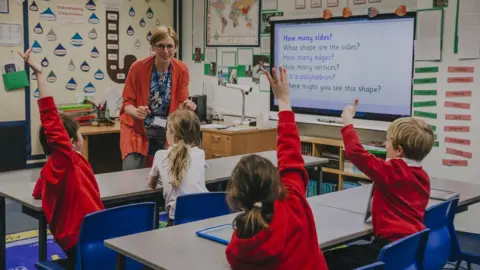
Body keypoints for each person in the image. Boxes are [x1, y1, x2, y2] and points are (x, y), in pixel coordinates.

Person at [225, 67, 328, 270]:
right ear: (276, 182)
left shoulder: (239, 248)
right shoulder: (295, 202)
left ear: (237, 196)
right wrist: (283, 101)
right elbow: (290, 154)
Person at [323, 99, 434, 270]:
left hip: (388, 247)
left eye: (388, 141)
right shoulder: (423, 176)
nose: (384, 144)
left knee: (328, 258)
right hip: (409, 246)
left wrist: (347, 121)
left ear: (399, 150)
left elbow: (354, 152)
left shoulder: (392, 171)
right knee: (348, 253)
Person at [21, 48, 104, 269]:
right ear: (68, 141)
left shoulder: (53, 167)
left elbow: (38, 192)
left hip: (77, 237)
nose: (82, 137)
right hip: (85, 235)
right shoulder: (67, 159)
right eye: (79, 133)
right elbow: (49, 115)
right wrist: (39, 74)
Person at [120, 25, 196, 171]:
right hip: (137, 128)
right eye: (160, 46)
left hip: (167, 129)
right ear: (153, 47)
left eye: (169, 46)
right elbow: (127, 103)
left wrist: (187, 107)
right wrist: (136, 112)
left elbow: (181, 104)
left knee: (172, 170)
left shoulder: (182, 70)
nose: (165, 51)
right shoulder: (138, 68)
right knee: (131, 171)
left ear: (175, 47)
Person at [147, 105, 207, 226]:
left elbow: (151, 185)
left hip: (176, 221)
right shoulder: (200, 154)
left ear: (173, 134)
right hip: (203, 217)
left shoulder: (160, 155)